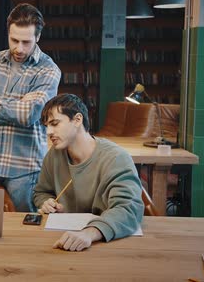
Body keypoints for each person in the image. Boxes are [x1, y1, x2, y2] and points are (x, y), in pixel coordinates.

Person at [0, 3, 61, 212]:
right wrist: (14, 104)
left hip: (24, 166)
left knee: (25, 224)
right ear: (8, 33)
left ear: (38, 37)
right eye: (14, 40)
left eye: (26, 42)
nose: (19, 48)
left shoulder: (48, 69)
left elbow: (28, 114)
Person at [33, 93, 144, 252]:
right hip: (62, 239)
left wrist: (89, 234)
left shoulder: (115, 157)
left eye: (55, 123)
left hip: (106, 243)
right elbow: (41, 192)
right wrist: (47, 202)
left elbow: (128, 209)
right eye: (47, 126)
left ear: (78, 120)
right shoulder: (54, 155)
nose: (48, 132)